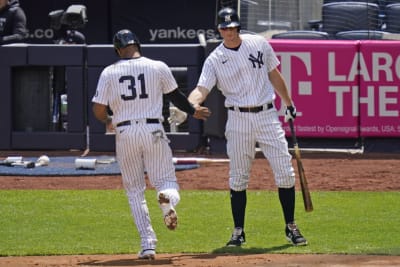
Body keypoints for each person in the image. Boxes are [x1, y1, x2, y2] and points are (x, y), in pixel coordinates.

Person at [188, 7, 307, 247]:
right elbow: (201, 89)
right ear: (219, 29)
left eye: (233, 27)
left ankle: (291, 226)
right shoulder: (214, 59)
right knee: (239, 176)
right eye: (225, 28)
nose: (229, 32)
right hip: (238, 118)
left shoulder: (258, 43)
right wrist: (192, 104)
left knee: (285, 171)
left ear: (238, 27)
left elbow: (274, 74)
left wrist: (289, 103)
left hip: (266, 114)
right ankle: (238, 231)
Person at [92, 29, 211, 260]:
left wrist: (108, 120)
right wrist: (193, 111)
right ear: (138, 45)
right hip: (153, 128)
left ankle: (148, 244)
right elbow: (176, 96)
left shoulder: (109, 72)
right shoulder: (158, 66)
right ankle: (166, 198)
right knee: (166, 181)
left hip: (125, 131)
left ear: (118, 49)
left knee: (135, 191)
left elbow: (98, 108)